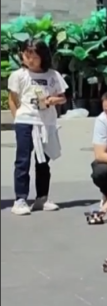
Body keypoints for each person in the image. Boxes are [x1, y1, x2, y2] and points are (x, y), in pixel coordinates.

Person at [7, 39, 68, 215]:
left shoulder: (53, 75)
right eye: (27, 56)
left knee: (43, 161)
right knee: (23, 161)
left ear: (43, 57)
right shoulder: (19, 75)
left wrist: (53, 100)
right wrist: (17, 118)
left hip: (46, 123)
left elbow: (63, 97)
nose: (31, 60)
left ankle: (42, 197)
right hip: (25, 121)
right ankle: (20, 199)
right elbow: (12, 99)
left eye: (35, 57)